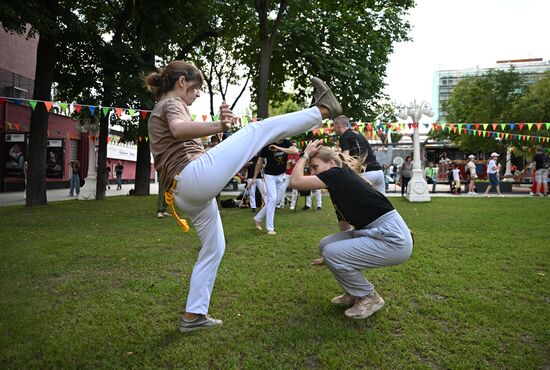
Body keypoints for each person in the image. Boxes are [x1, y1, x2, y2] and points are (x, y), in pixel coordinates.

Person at [145, 60, 341, 332]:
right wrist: (220, 126)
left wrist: (217, 139)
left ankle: (193, 315)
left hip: (183, 192)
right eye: (196, 88)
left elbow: (179, 138)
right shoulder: (171, 104)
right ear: (181, 83)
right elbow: (179, 129)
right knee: (255, 131)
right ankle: (322, 109)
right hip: (190, 179)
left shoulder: (161, 109)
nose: (198, 94)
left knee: (214, 248)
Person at [290, 140, 413, 319]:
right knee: (327, 245)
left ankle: (370, 297)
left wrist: (305, 155)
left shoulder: (337, 174)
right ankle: (354, 292)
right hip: (380, 232)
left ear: (331, 163)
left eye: (315, 167)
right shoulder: (338, 184)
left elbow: (295, 181)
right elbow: (344, 224)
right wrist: (337, 255)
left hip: (393, 239)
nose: (313, 172)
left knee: (332, 252)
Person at [252, 139, 299, 235]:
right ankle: (270, 228)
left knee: (276, 201)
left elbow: (295, 151)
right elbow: (259, 163)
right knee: (272, 199)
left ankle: (257, 218)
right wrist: (254, 177)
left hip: (281, 175)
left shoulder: (287, 143)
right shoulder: (267, 145)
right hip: (269, 175)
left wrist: (278, 148)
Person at [332, 115, 385, 194]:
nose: (333, 129)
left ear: (339, 125)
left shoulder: (344, 136)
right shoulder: (357, 133)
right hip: (379, 172)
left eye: (334, 125)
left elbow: (345, 157)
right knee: (383, 202)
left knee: (358, 201)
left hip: (365, 173)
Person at [278, 140, 299, 208]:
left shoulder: (297, 154)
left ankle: (293, 205)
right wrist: (289, 162)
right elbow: (284, 164)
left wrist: (293, 162)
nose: (293, 147)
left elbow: (297, 164)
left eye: (295, 146)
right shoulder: (287, 154)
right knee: (282, 189)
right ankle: (281, 204)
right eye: (292, 146)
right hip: (287, 173)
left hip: (295, 174)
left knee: (295, 191)